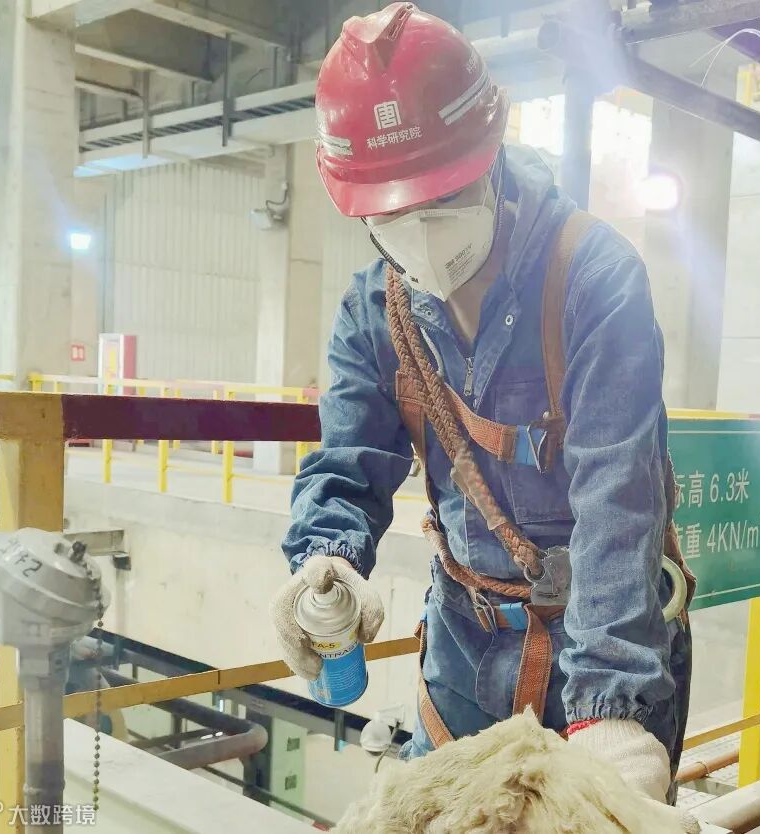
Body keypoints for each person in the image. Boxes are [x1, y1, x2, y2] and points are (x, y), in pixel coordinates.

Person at [270, 2, 693, 804]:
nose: (421, 233)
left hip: (604, 635)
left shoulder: (592, 280)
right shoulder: (375, 310)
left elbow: (619, 498)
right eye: (392, 214)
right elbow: (349, 459)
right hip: (465, 643)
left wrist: (612, 707)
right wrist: (327, 560)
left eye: (441, 199)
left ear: (490, 157)